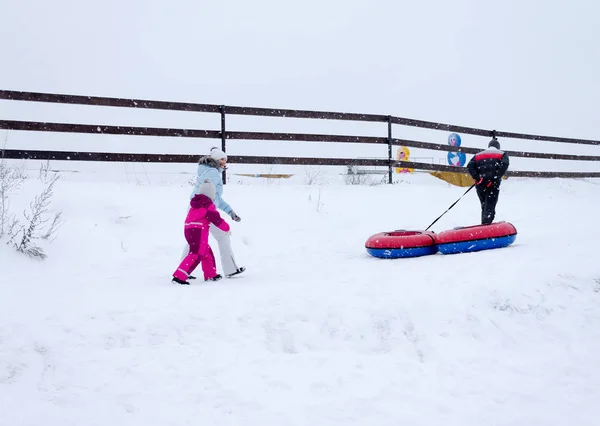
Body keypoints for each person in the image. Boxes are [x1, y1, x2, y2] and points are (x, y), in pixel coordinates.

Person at [185, 147, 245, 279]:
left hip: (197, 208)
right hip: (203, 209)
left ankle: (184, 270)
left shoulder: (210, 171)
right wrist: (206, 210)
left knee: (194, 241)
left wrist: (230, 211)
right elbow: (205, 193)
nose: (225, 161)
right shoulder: (212, 173)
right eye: (222, 159)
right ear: (216, 160)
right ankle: (230, 269)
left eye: (225, 159)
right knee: (222, 235)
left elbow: (216, 197)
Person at [172, 180, 230, 285]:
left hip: (188, 229)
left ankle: (210, 274)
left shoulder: (195, 203)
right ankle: (179, 277)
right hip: (198, 231)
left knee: (206, 251)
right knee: (196, 253)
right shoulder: (208, 205)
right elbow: (216, 219)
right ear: (211, 194)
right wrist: (227, 228)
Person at [466, 137, 510, 225]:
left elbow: (469, 166)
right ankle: (486, 227)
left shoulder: (478, 155)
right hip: (492, 185)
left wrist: (477, 177)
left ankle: (484, 224)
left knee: (484, 206)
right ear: (498, 147)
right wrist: (495, 177)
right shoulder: (502, 154)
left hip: (480, 184)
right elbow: (505, 165)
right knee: (490, 206)